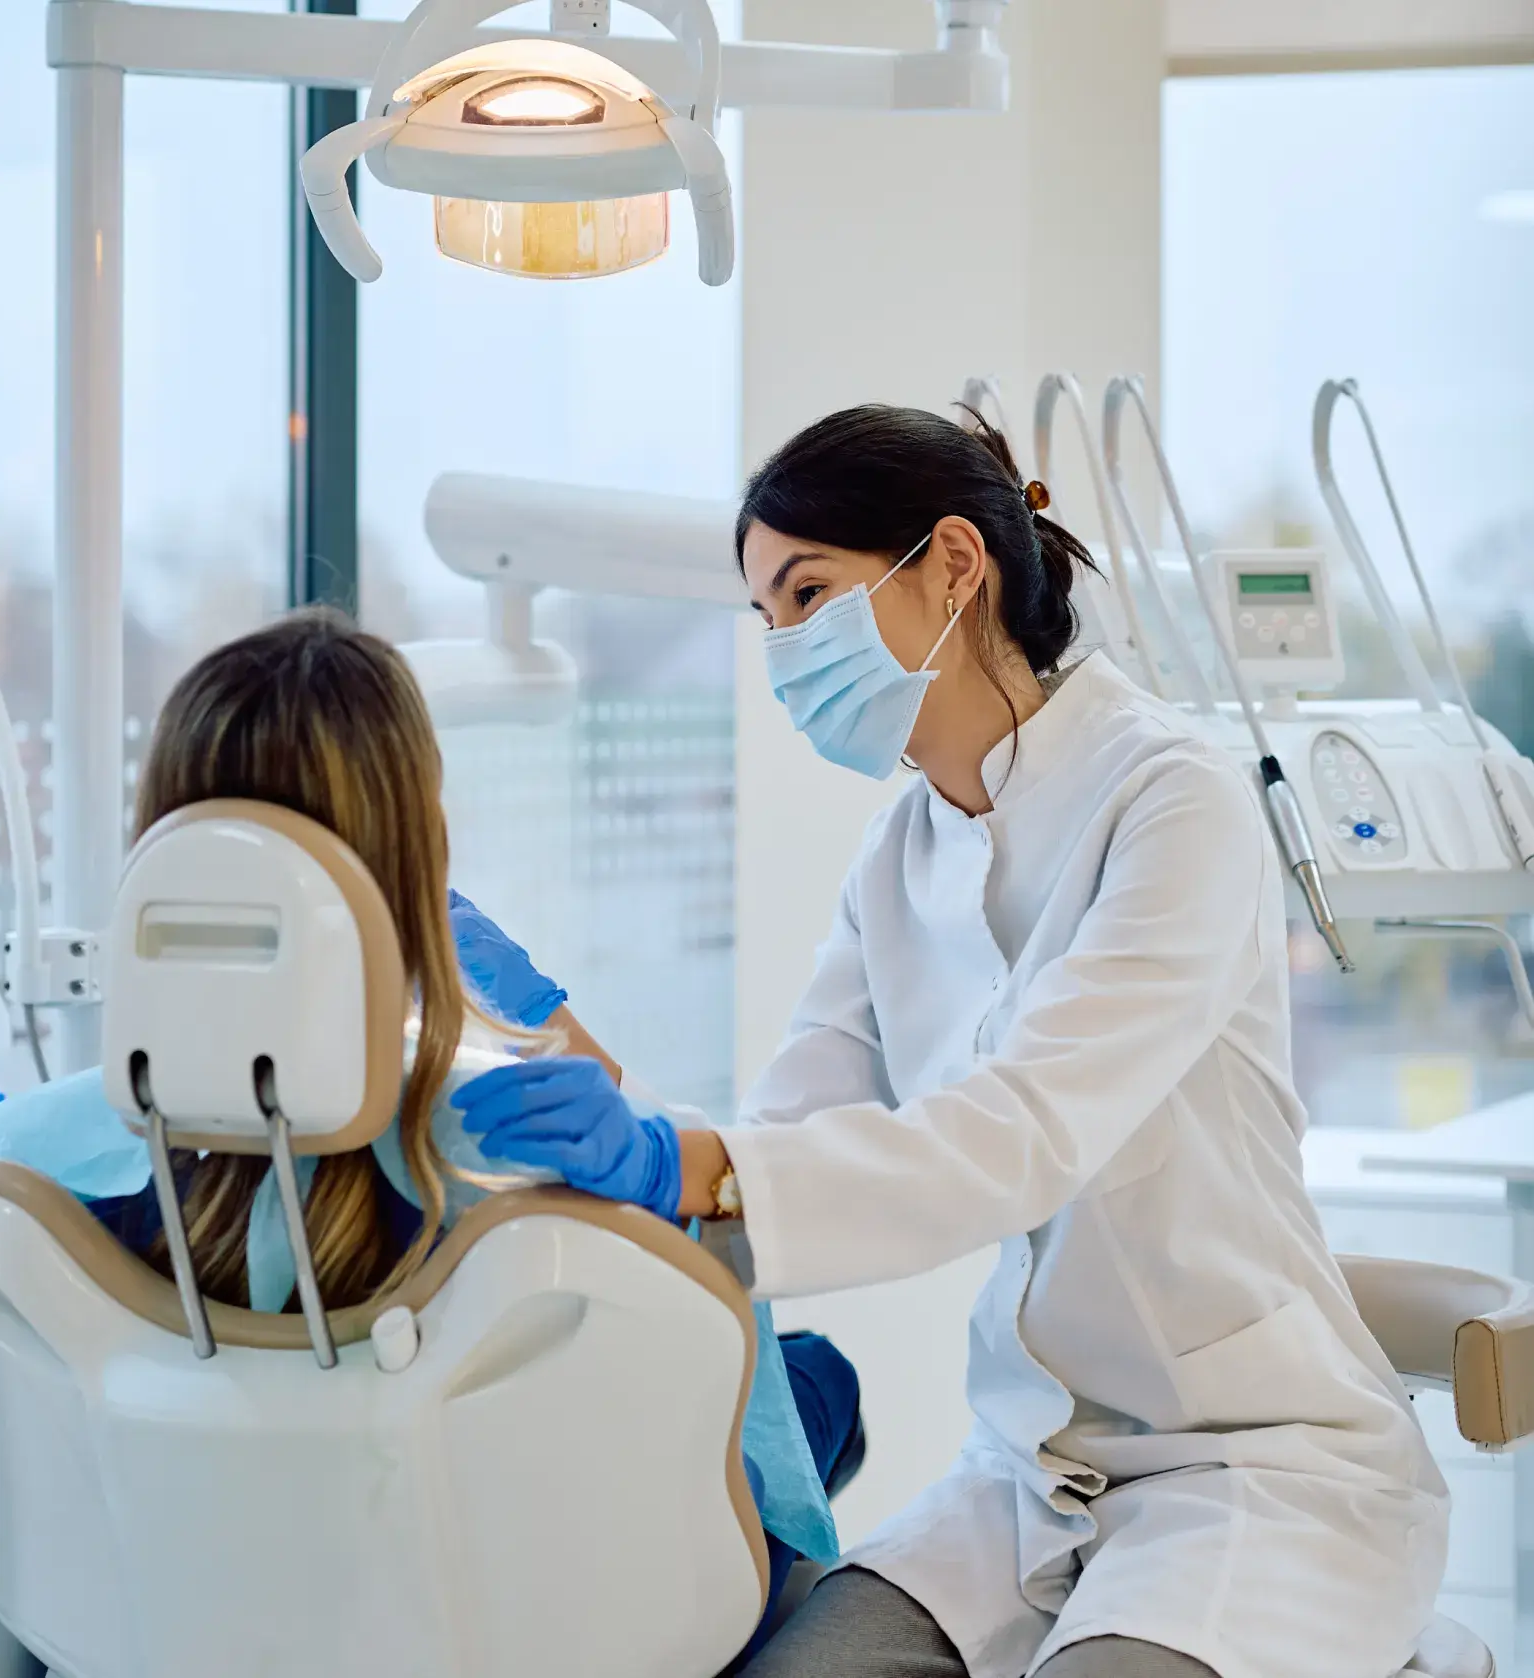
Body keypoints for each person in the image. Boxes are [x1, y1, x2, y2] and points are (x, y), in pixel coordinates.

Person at [448, 406, 1450, 1678]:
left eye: (807, 592)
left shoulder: (1170, 798)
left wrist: (691, 1163)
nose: (784, 649)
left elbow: (1026, 1133)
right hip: (1029, 1477)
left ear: (955, 566)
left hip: (1254, 1466)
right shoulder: (899, 854)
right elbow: (792, 1131)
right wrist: (580, 1081)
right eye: (765, 617)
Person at [0, 611, 862, 1664]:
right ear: (422, 844)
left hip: (199, 1608)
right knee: (820, 1379)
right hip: (515, 1617)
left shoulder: (26, 1191)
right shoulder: (529, 1196)